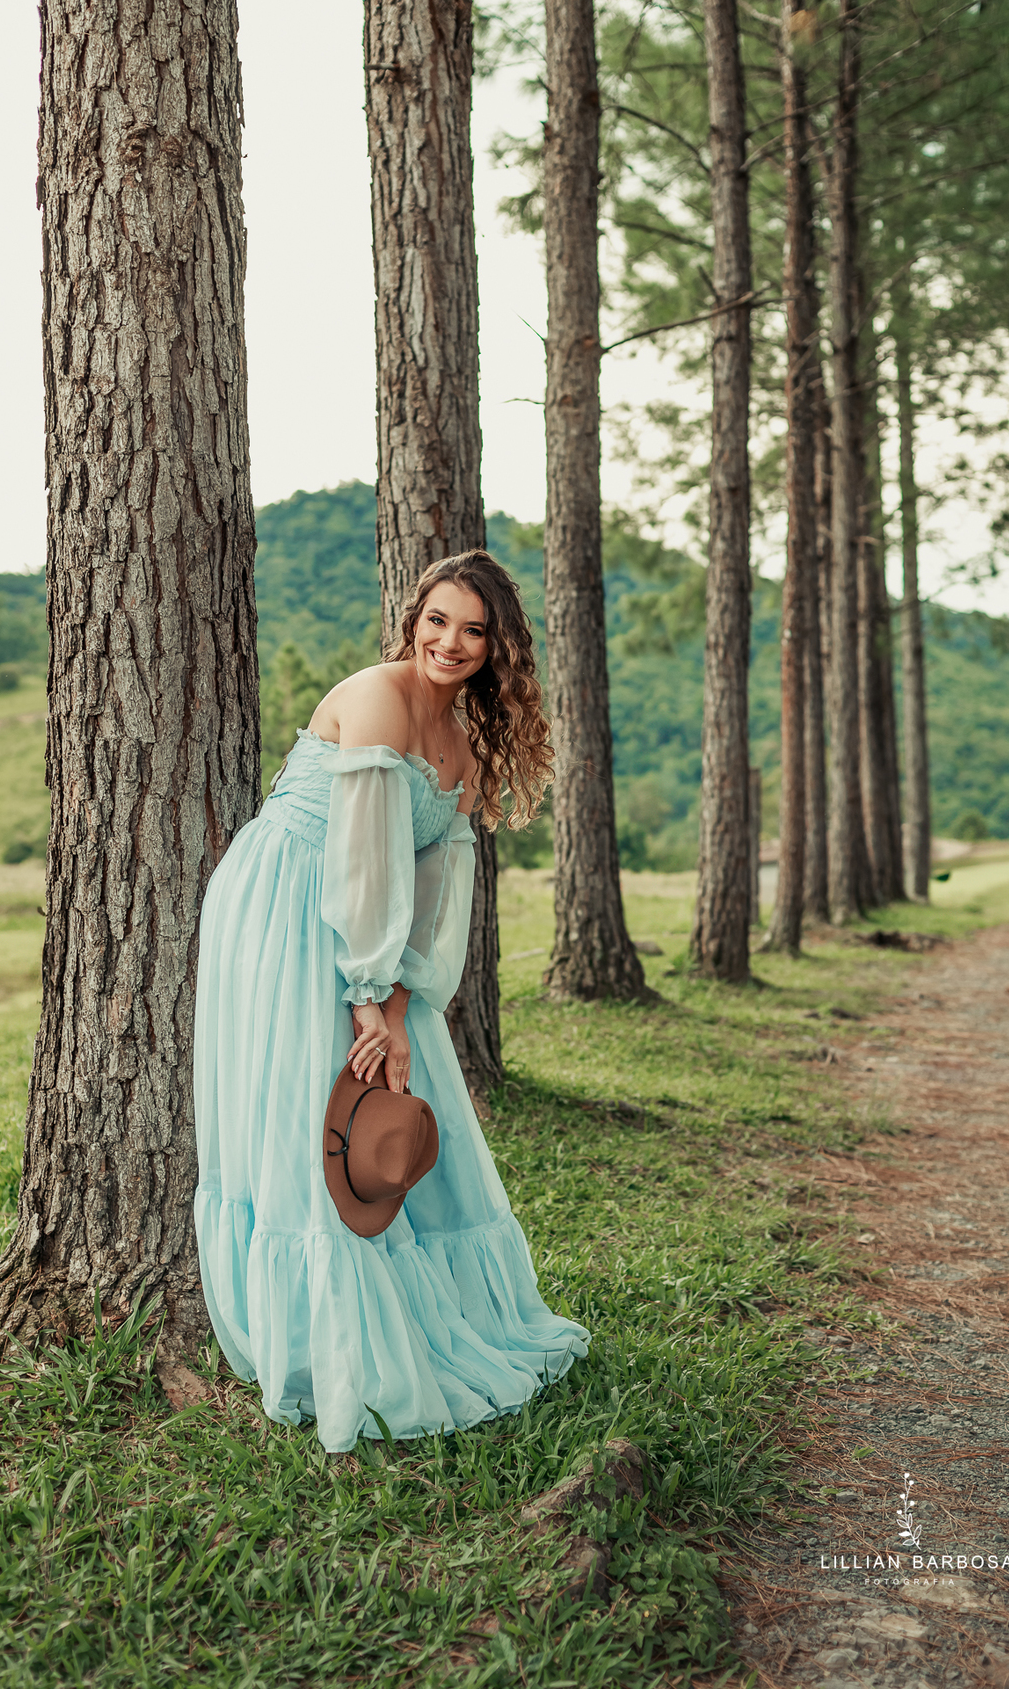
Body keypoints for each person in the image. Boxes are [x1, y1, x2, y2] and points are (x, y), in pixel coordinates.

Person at [192, 550, 589, 1451]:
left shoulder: (467, 750)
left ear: (496, 649)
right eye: (437, 620)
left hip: (368, 929)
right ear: (414, 620)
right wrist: (363, 997)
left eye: (473, 631)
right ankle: (313, 1338)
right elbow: (362, 854)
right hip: (289, 900)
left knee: (392, 1094)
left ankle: (415, 1310)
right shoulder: (377, 696)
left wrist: (401, 1006)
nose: (450, 642)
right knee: (308, 1102)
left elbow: (435, 893)